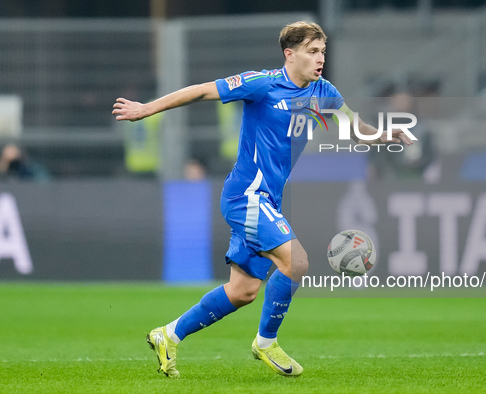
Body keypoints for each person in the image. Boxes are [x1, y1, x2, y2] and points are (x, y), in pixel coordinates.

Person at [112, 21, 413, 379]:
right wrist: (147, 109)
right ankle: (266, 342)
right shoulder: (263, 84)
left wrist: (383, 135)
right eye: (312, 52)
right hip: (246, 197)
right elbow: (201, 91)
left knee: (242, 291)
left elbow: (353, 126)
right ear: (290, 54)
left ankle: (168, 334)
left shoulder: (324, 91)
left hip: (266, 200)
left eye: (323, 52)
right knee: (296, 262)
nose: (320, 59)